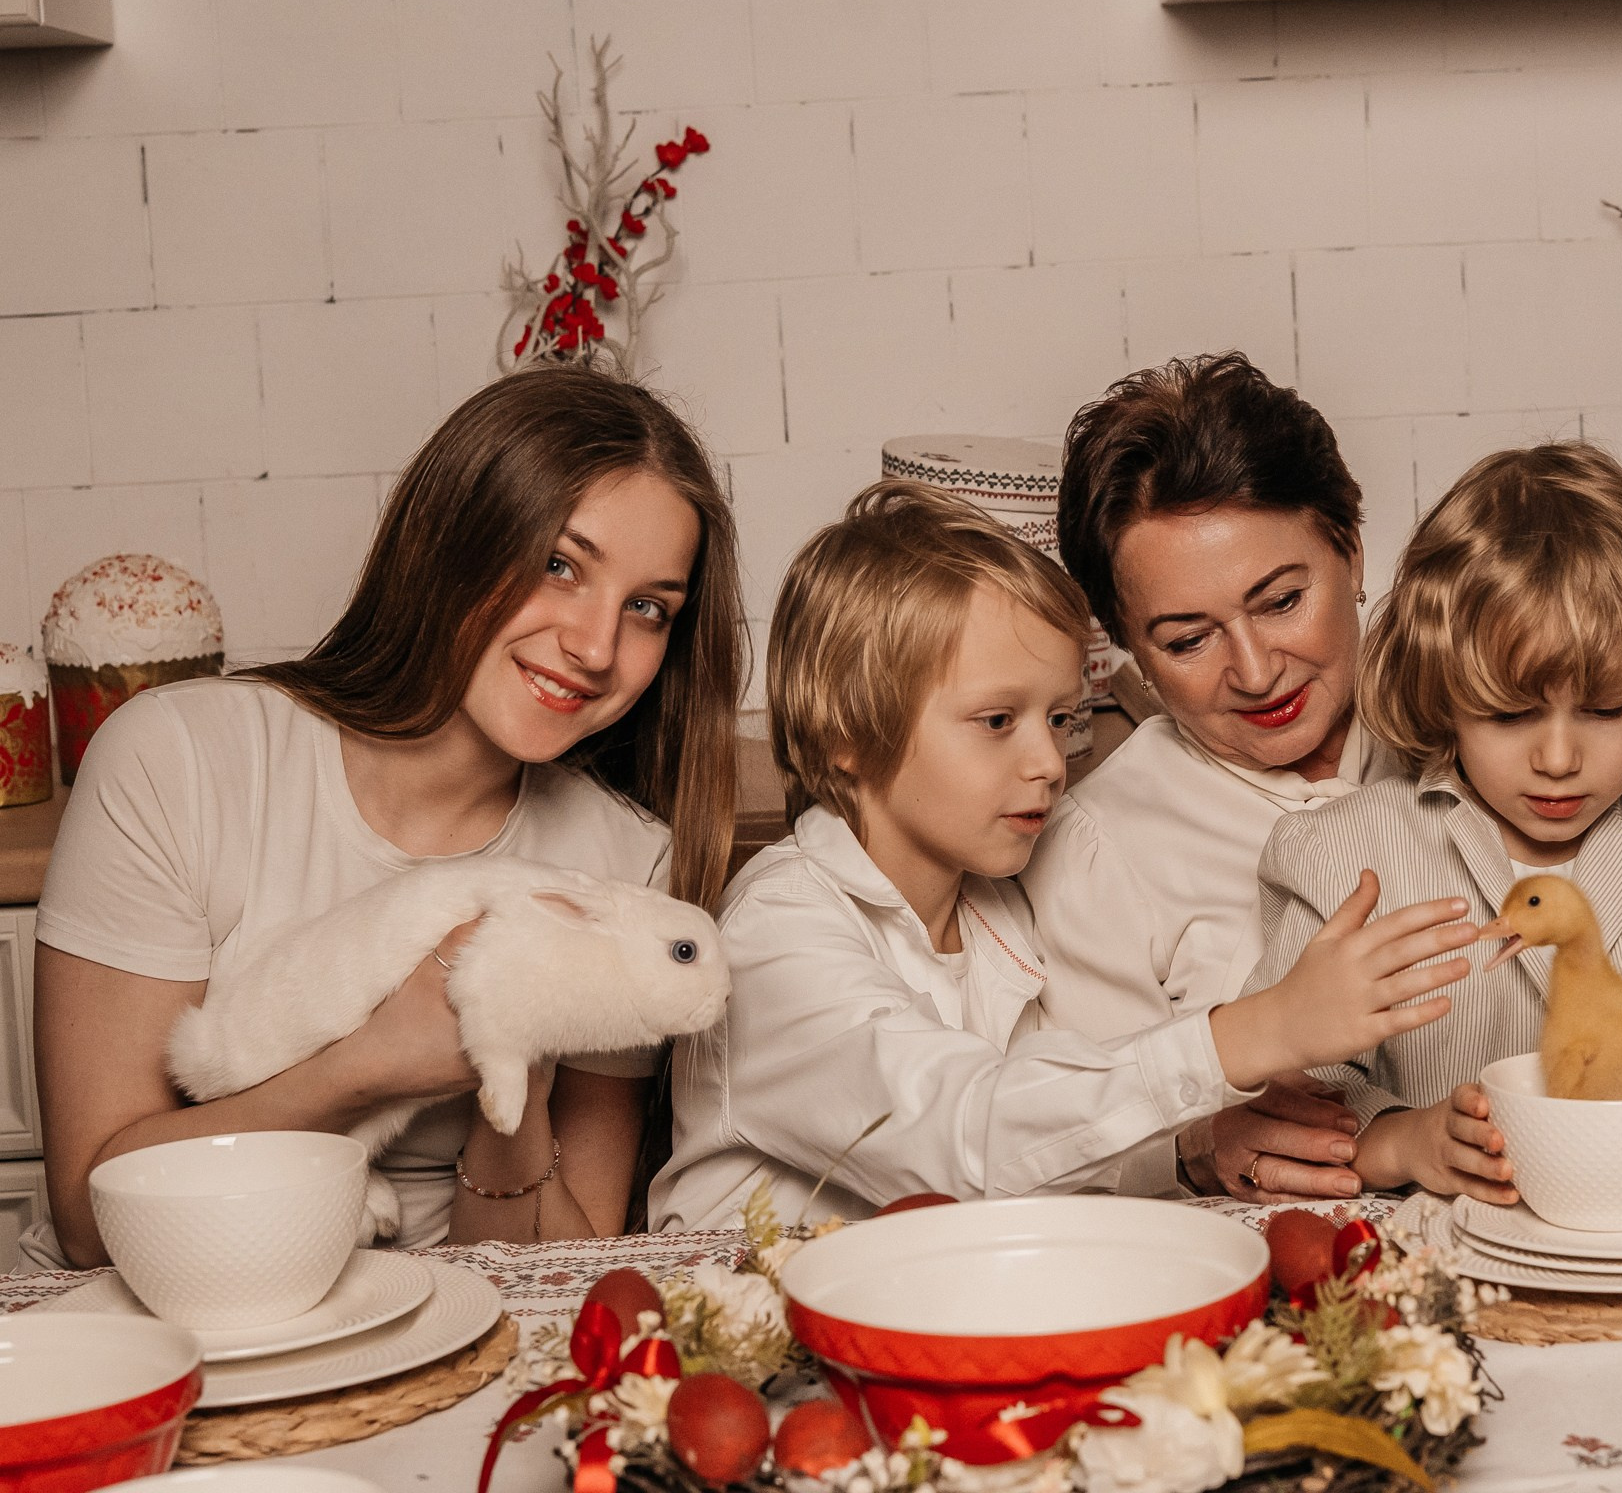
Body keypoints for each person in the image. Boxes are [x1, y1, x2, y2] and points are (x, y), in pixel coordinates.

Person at [29, 367, 744, 1268]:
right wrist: (367, 1065)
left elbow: (559, 1273)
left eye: (647, 609)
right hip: (186, 1307)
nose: (597, 648)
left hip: (462, 1321)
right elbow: (95, 1228)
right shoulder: (177, 761)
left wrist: (515, 1051)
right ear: (453, 541)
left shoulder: (628, 861)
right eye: (560, 565)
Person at [649, 483, 1481, 1229]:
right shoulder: (776, 928)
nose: (1049, 762)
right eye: (997, 721)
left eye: (1058, 717)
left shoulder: (998, 909)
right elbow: (962, 1138)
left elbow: (1047, 1139)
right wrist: (1254, 1032)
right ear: (847, 739)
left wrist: (1193, 1149)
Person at [1249, 442, 1622, 1204]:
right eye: (1509, 714)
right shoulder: (1342, 853)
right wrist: (1401, 1137)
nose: (1559, 758)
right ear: (1442, 694)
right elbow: (1285, 1105)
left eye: (1603, 710)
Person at [1022, 354, 1409, 1200]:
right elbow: (1064, 1135)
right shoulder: (1095, 847)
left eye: (1279, 602)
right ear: (1129, 649)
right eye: (1188, 639)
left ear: (1350, 547)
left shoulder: (1474, 732)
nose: (1256, 670)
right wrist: (1190, 1147)